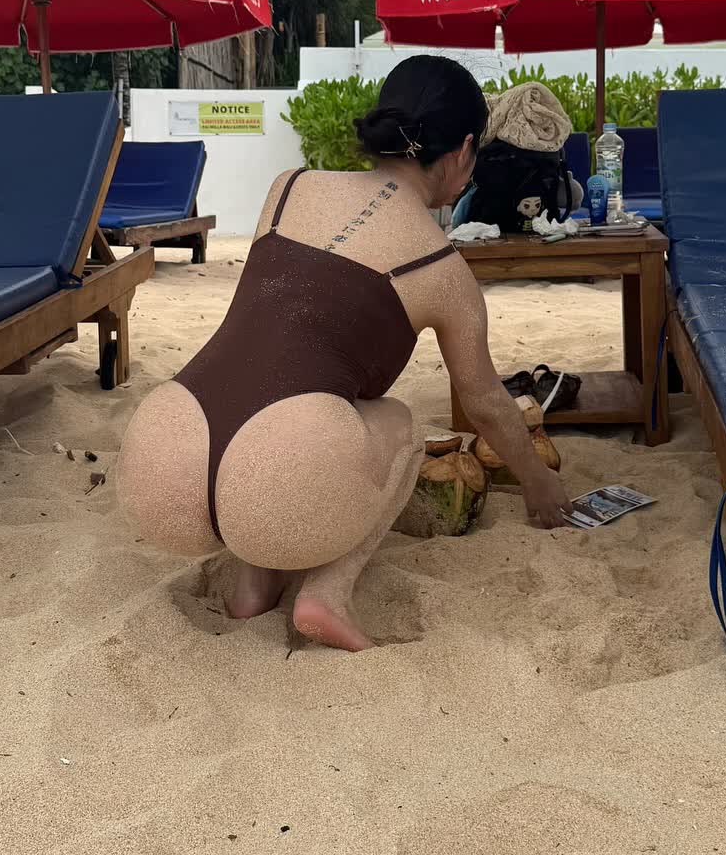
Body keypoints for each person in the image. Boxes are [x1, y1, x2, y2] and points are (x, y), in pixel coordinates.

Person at [116, 54, 574, 651]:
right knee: (401, 423)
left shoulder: (289, 187)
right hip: (277, 471)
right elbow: (484, 400)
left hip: (162, 456)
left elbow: (281, 328)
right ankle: (326, 595)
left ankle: (254, 584)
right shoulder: (441, 266)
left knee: (275, 389)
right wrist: (536, 481)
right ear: (464, 150)